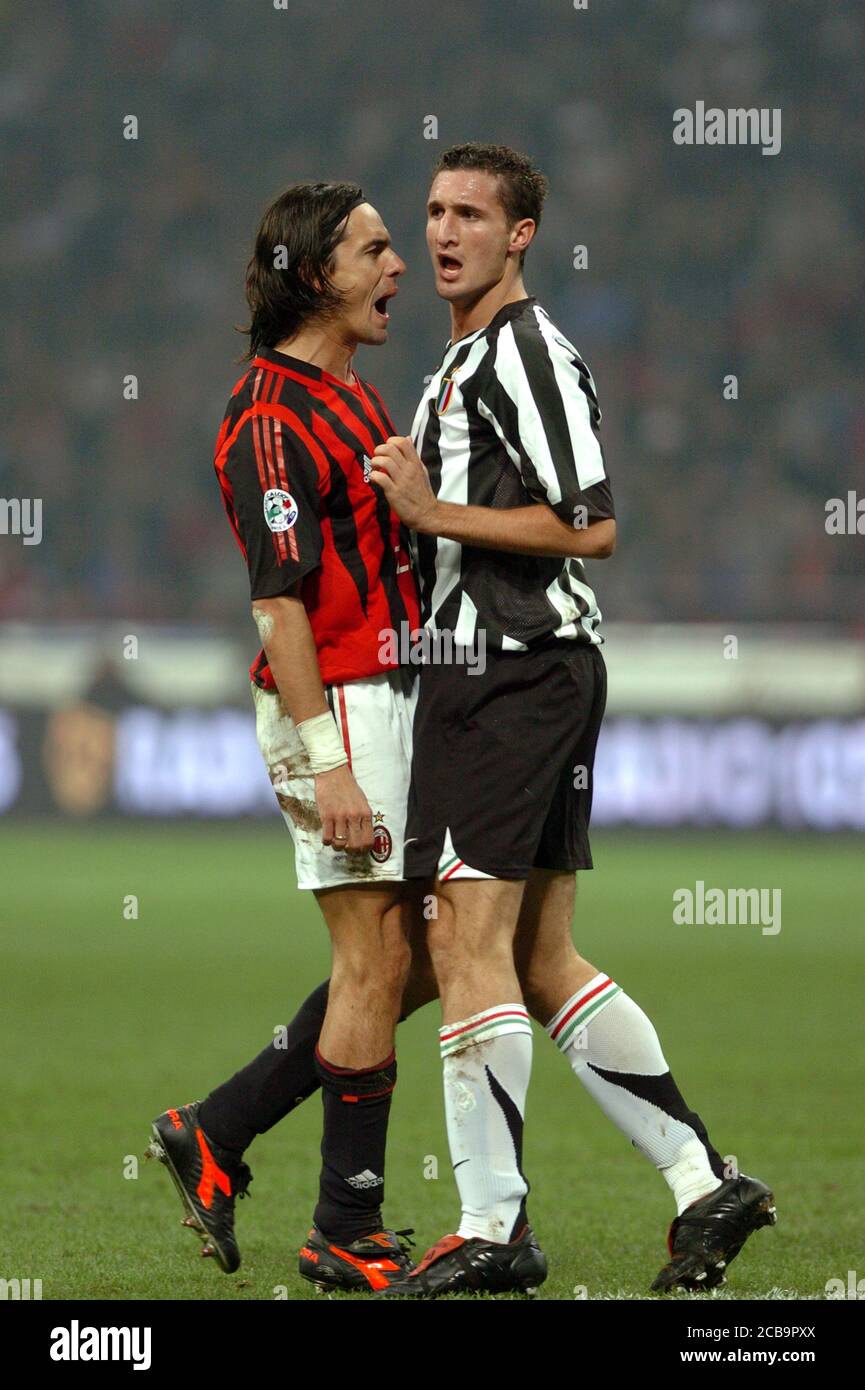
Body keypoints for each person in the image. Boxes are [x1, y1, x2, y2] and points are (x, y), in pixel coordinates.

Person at [368, 143, 777, 1297]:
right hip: (495, 673)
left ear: (521, 235)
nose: (444, 233)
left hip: (513, 673)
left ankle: (493, 1225)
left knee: (462, 937)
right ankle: (704, 1181)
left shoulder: (525, 354)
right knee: (538, 955)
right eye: (434, 211)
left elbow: (589, 524)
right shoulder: (459, 361)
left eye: (471, 216)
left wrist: (427, 507)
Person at [146, 181, 432, 1293]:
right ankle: (343, 1230)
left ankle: (217, 1127)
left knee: (410, 956)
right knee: (374, 960)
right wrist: (331, 764)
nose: (399, 265)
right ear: (316, 272)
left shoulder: (351, 395)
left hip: (390, 695)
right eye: (375, 248)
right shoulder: (269, 417)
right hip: (339, 706)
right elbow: (279, 608)